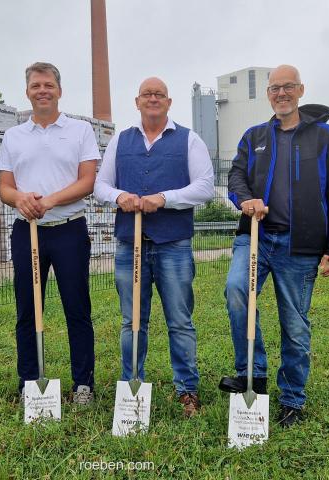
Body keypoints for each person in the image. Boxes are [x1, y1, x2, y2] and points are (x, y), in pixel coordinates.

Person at [220, 64, 329, 427]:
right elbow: (236, 176)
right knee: (236, 291)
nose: (282, 93)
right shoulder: (254, 136)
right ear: (268, 94)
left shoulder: (326, 137)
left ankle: (292, 398)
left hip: (302, 245)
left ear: (301, 90)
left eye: (288, 87)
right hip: (257, 236)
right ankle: (254, 376)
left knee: (294, 324)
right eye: (275, 88)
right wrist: (245, 199)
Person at [94, 77, 214, 417]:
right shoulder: (121, 140)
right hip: (129, 244)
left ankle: (187, 389)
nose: (153, 99)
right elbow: (101, 186)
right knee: (132, 321)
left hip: (172, 244)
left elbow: (204, 186)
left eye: (159, 94)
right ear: (137, 101)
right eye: (147, 94)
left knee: (179, 320)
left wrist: (165, 199)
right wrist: (120, 196)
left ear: (169, 101)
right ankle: (131, 389)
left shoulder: (189, 140)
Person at [0, 62, 98, 405]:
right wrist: (21, 198)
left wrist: (50, 200)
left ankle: (83, 384)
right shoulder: (13, 136)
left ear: (59, 89)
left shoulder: (80, 130)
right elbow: (5, 188)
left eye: (49, 84)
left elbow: (88, 181)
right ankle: (29, 381)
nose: (43, 90)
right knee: (28, 308)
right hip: (28, 233)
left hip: (69, 230)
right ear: (27, 91)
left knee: (77, 308)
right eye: (36, 85)